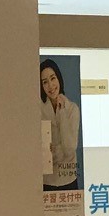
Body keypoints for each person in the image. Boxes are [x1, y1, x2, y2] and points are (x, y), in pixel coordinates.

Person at [41, 59, 81, 190]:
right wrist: (58, 151)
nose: (50, 86)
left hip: (69, 180)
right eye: (45, 82)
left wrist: (62, 111)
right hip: (47, 181)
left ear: (59, 78)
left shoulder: (72, 109)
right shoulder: (38, 110)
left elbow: (69, 149)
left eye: (53, 78)